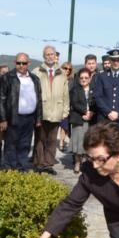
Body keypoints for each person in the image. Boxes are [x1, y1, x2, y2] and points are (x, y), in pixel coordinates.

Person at [0, 53, 42, 171]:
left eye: (24, 63)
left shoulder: (35, 79)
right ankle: (9, 169)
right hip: (13, 117)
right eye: (18, 63)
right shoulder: (8, 77)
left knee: (25, 144)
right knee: (11, 145)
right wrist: (3, 119)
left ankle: (21, 168)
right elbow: (2, 99)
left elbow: (39, 99)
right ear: (15, 63)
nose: (21, 65)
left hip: (30, 118)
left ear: (29, 63)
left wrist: (38, 118)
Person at [31, 45, 69, 175]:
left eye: (52, 54)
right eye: (47, 54)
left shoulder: (62, 73)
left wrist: (65, 111)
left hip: (56, 111)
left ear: (55, 56)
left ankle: (48, 164)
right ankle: (39, 164)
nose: (50, 57)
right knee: (39, 139)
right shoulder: (36, 71)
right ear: (43, 56)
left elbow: (65, 94)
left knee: (52, 140)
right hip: (41, 111)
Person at [93, 48, 119, 134]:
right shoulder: (102, 76)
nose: (116, 62)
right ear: (110, 61)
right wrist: (108, 112)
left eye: (118, 60)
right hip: (104, 119)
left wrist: (118, 113)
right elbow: (97, 96)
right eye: (113, 60)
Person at [69, 68, 95, 173]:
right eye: (82, 78)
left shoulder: (94, 90)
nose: (84, 79)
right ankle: (77, 163)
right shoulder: (75, 90)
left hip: (91, 120)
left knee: (87, 142)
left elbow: (97, 102)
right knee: (78, 143)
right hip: (79, 119)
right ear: (78, 79)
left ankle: (85, 163)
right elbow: (74, 103)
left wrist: (91, 113)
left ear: (90, 79)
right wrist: (85, 112)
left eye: (86, 78)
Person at [57, 60, 74, 151]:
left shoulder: (72, 81)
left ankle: (61, 142)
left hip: (66, 106)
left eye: (69, 69)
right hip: (56, 106)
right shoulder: (57, 78)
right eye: (65, 68)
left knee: (64, 125)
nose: (67, 70)